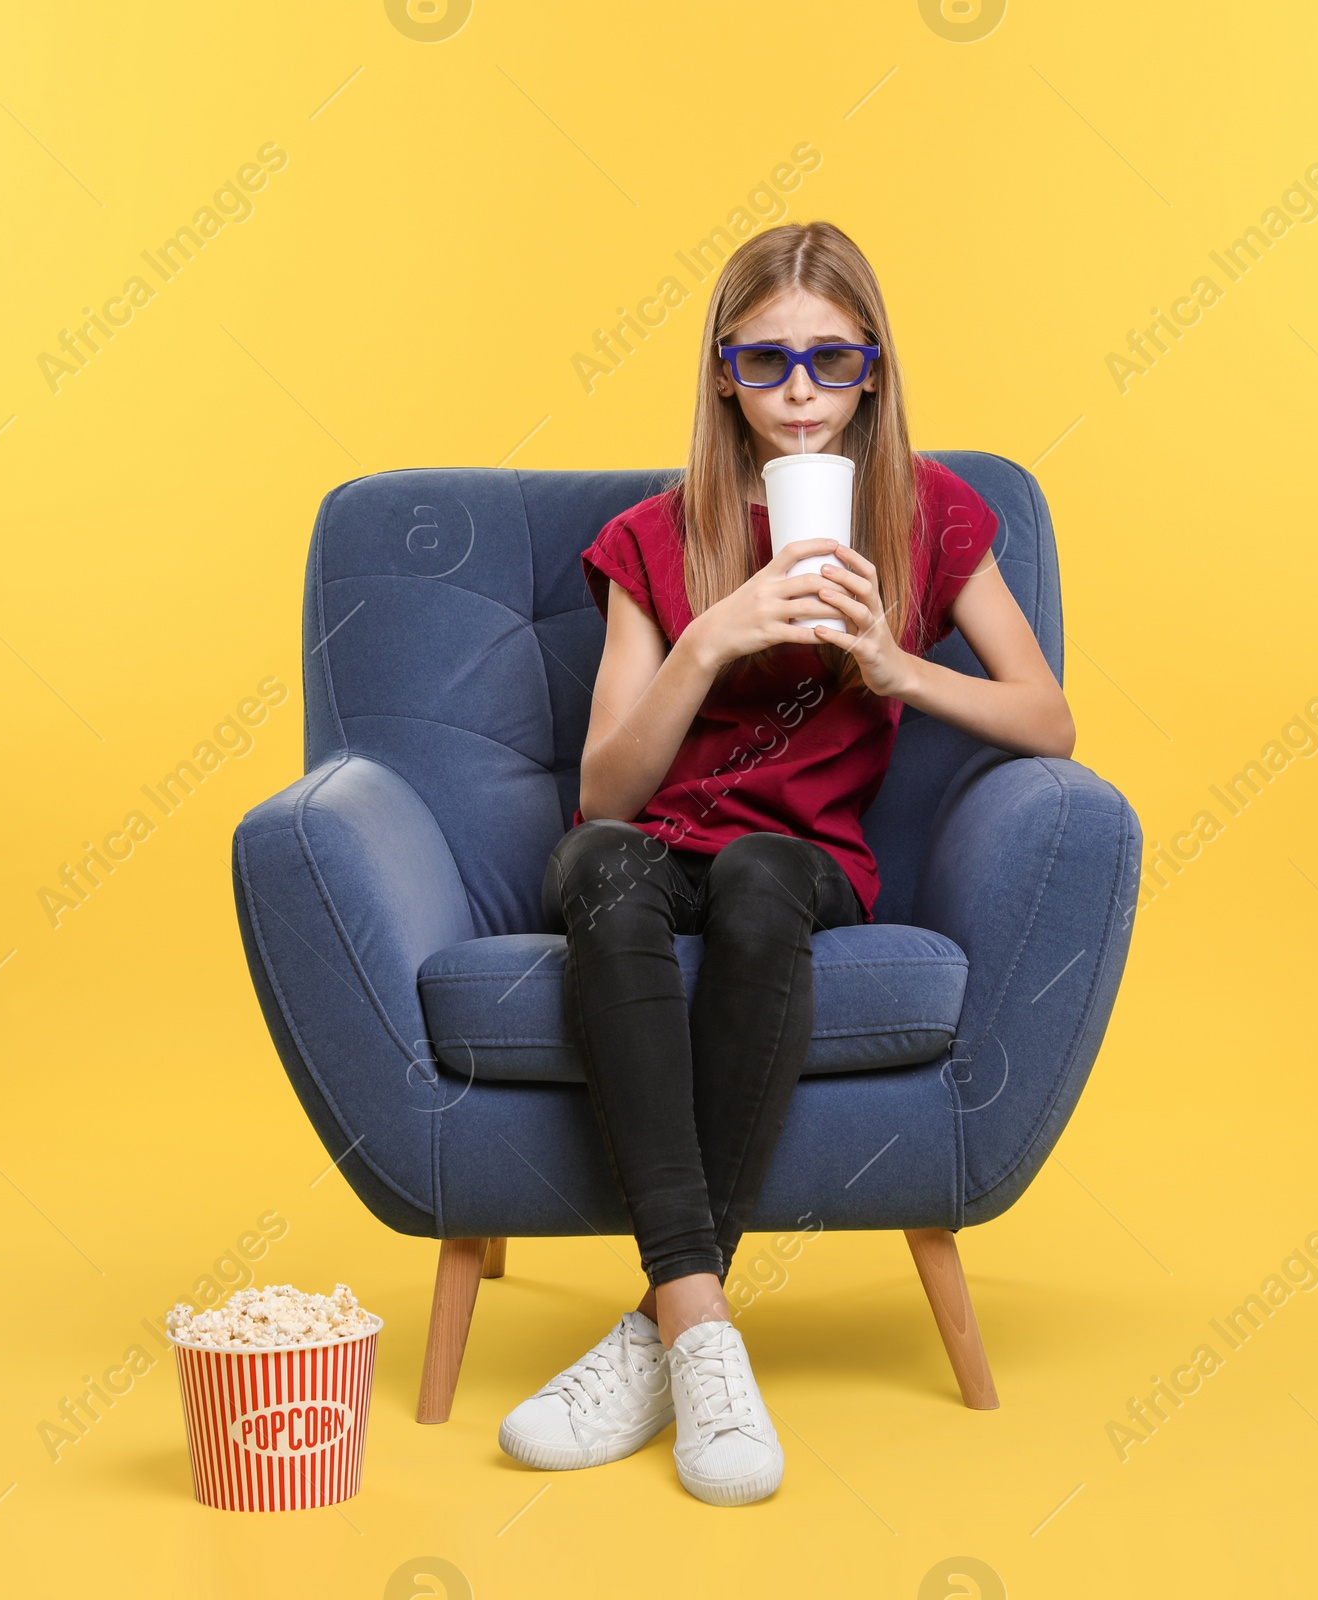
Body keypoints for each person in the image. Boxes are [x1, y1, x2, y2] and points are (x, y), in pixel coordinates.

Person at [497, 220, 1075, 1505]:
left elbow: (1049, 719)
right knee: (597, 863)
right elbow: (603, 788)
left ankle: (659, 1329)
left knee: (761, 877)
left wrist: (894, 667)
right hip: (654, 844)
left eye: (831, 361)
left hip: (804, 861)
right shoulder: (657, 534)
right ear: (721, 374)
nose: (801, 395)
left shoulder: (924, 514)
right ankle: (701, 1333)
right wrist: (707, 640)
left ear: (873, 371)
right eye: (768, 363)